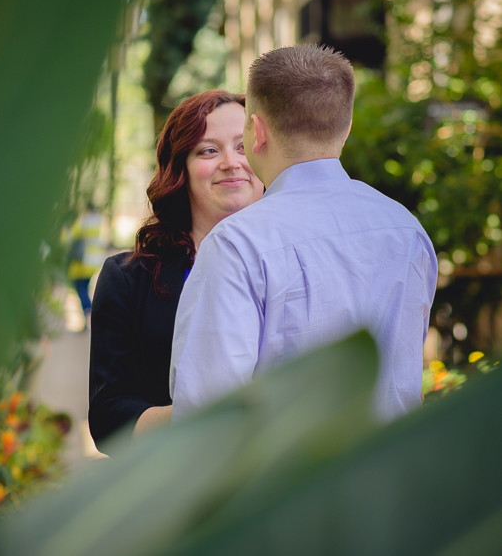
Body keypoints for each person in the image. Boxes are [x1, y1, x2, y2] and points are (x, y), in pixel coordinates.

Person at [170, 44, 438, 422]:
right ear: (345, 130)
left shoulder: (238, 244)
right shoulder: (406, 230)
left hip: (285, 480)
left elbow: (207, 415)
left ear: (256, 131)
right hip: (394, 474)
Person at [89, 89, 264, 451]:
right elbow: (109, 416)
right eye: (208, 150)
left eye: (243, 146)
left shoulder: (304, 259)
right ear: (180, 168)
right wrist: (205, 420)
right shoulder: (126, 279)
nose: (231, 162)